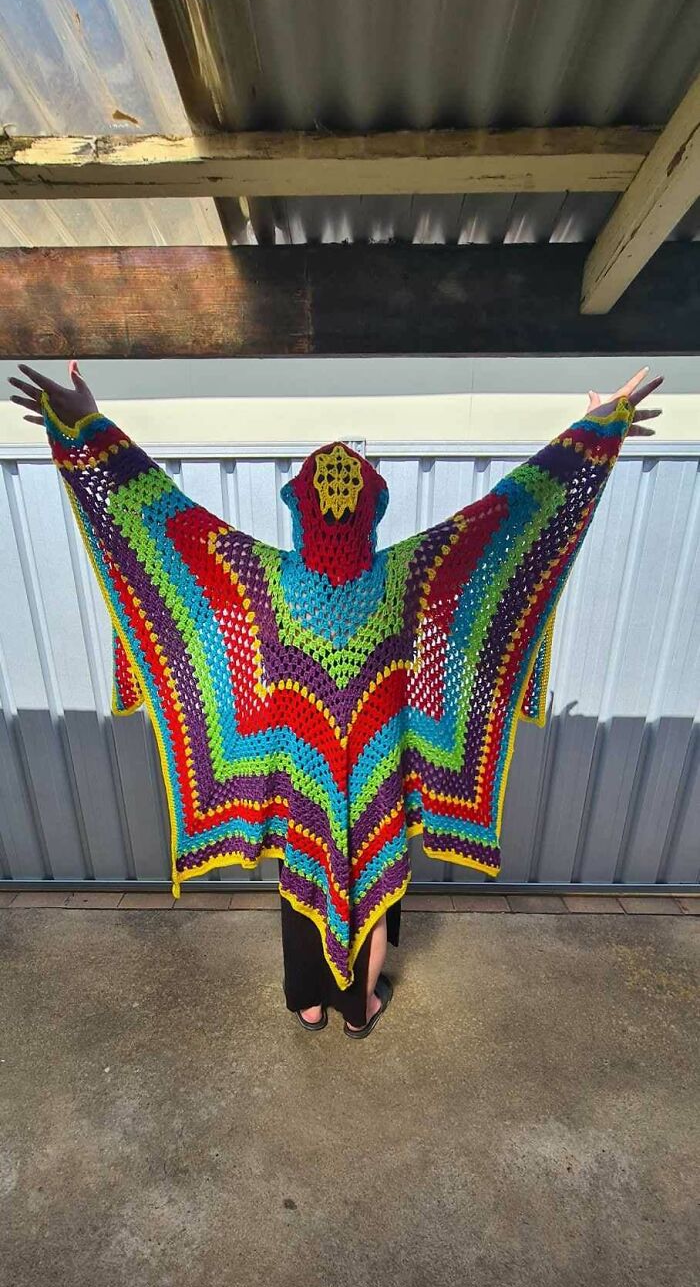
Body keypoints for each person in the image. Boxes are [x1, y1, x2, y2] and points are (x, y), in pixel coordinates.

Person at [8, 362, 662, 1037]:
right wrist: (594, 430)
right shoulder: (413, 574)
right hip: (381, 770)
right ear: (372, 512)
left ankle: (311, 1003)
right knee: (376, 885)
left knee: (305, 881)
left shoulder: (259, 578)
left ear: (298, 511)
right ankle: (360, 1006)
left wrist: (86, 427)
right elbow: (516, 515)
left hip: (301, 777)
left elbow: (153, 517)